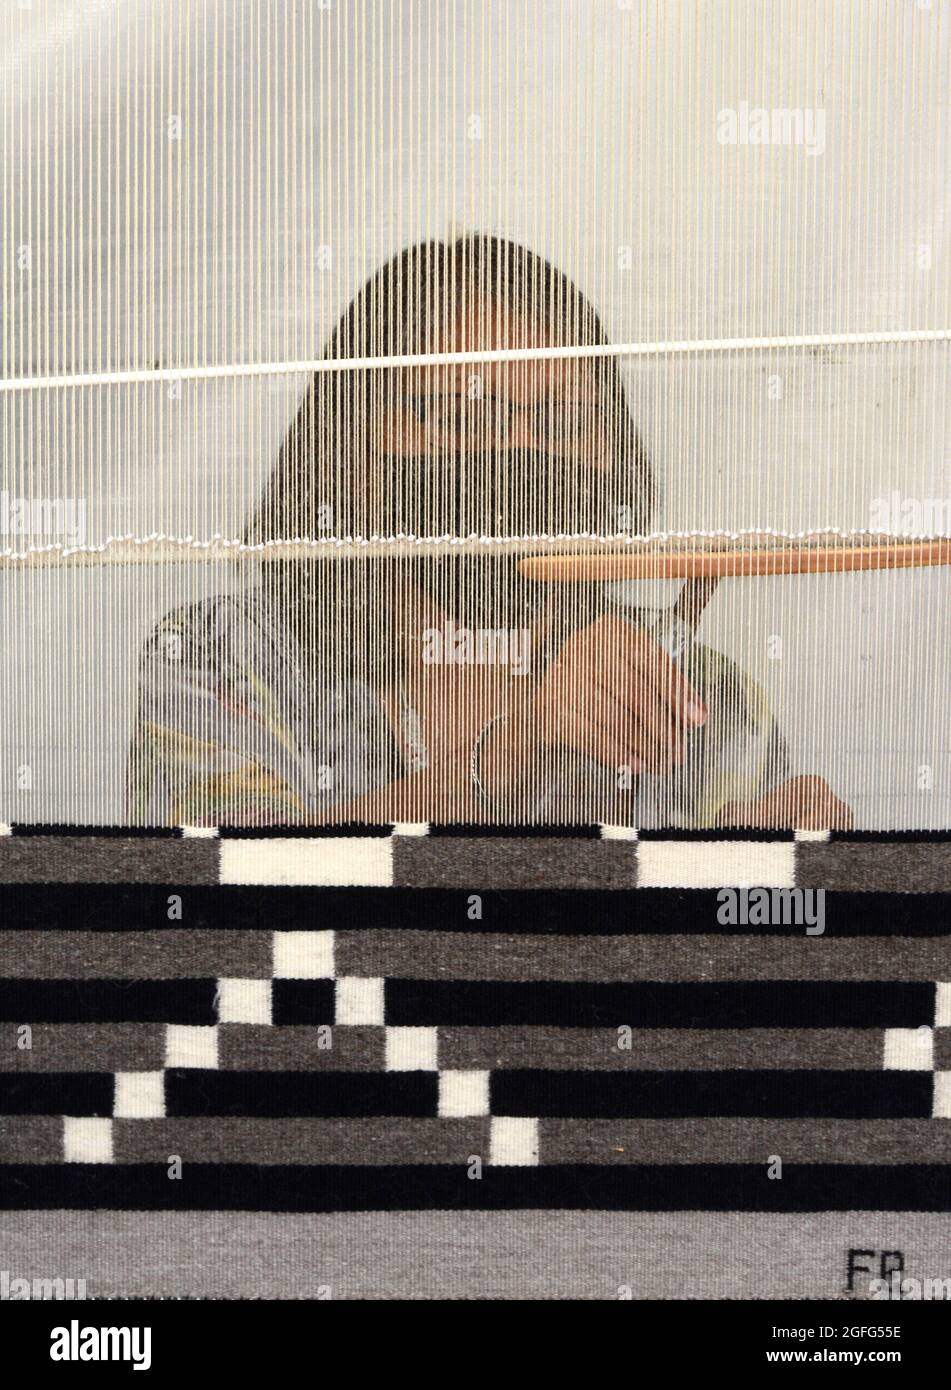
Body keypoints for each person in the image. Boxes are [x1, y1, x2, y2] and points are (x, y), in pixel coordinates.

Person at [128, 234, 851, 829]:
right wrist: (515, 749)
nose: (514, 456)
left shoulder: (702, 697)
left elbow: (726, 961)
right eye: (457, 417)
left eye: (565, 422)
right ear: (355, 448)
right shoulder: (219, 665)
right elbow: (232, 914)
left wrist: (731, 889)